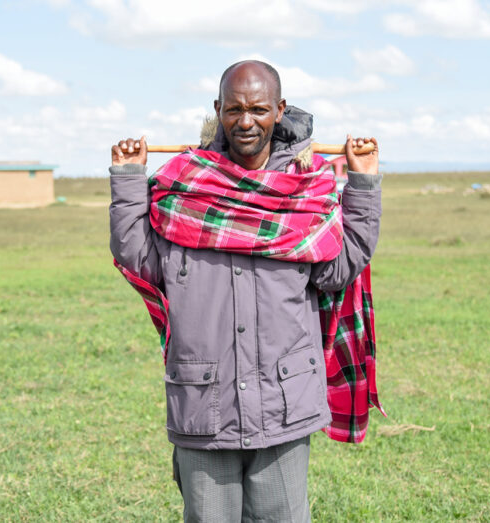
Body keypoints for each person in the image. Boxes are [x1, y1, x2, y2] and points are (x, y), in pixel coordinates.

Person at [109, 60, 382, 522]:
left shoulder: (301, 194)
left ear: (279, 110)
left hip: (284, 403)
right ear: (218, 111)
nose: (246, 121)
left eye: (258, 108)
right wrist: (129, 179)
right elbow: (137, 255)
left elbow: (339, 269)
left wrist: (363, 183)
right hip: (204, 406)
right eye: (234, 109)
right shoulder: (185, 188)